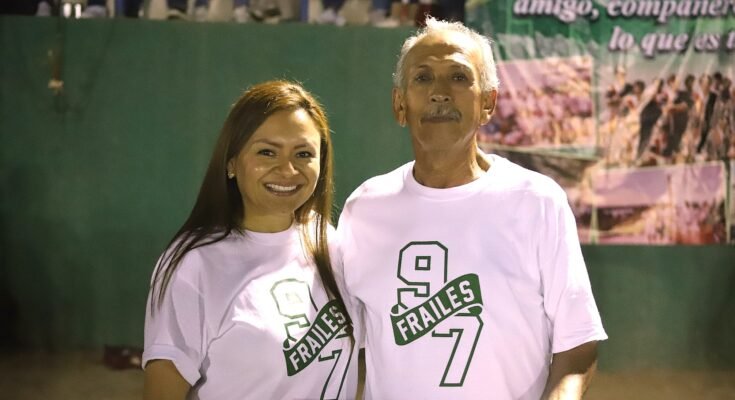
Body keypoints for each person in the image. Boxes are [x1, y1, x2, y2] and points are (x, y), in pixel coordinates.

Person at [336, 18, 607, 399]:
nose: (439, 93)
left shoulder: (537, 201)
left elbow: (577, 345)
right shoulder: (364, 209)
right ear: (399, 104)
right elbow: (345, 349)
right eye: (423, 78)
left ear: (488, 103)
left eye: (459, 77)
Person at [143, 80, 358, 399]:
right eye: (267, 152)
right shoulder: (195, 263)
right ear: (232, 162)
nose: (288, 169)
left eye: (303, 154)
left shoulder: (324, 238)